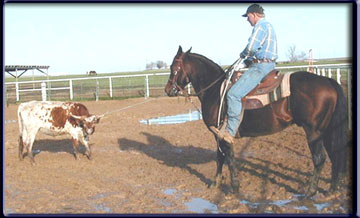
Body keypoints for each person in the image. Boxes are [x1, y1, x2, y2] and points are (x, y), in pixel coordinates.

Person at [216, 4, 278, 144]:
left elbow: (251, 48)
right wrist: (245, 62)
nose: (247, 20)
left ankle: (230, 132)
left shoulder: (260, 26)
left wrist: (243, 55)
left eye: (248, 16)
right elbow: (258, 51)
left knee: (233, 94)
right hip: (268, 64)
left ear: (254, 15)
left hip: (260, 67)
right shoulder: (269, 26)